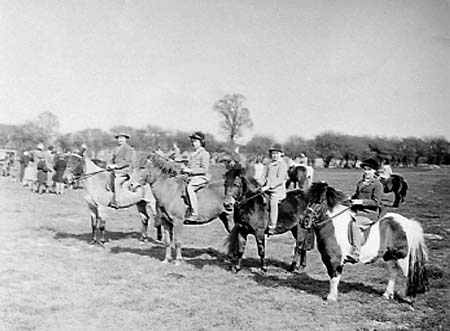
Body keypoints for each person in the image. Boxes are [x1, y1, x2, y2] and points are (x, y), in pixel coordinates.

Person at [347, 158, 384, 263]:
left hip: (369, 214)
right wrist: (349, 200)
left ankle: (356, 253)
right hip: (358, 211)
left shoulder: (377, 185)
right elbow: (356, 195)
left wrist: (360, 202)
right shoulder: (360, 183)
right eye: (365, 169)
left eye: (369, 170)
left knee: (356, 225)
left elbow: (376, 202)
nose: (366, 172)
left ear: (374, 171)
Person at [182, 131, 211, 222]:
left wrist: (190, 171)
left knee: (190, 188)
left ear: (201, 142)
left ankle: (194, 213)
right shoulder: (193, 153)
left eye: (195, 141)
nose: (193, 143)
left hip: (201, 177)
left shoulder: (204, 154)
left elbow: (204, 169)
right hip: (192, 177)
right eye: (192, 141)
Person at [261, 143, 289, 235]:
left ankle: (273, 225)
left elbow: (280, 179)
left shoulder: (282, 164)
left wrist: (270, 186)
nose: (274, 155)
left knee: (273, 203)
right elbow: (264, 176)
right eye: (273, 153)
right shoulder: (269, 164)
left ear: (281, 154)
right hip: (266, 188)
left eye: (277, 153)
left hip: (277, 190)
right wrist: (261, 184)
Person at [107, 133, 135, 208]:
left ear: (126, 140)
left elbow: (127, 161)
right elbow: (110, 159)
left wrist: (116, 166)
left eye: (122, 138)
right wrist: (109, 164)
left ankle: (117, 201)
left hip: (124, 170)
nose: (120, 140)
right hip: (115, 170)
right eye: (119, 138)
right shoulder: (115, 149)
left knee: (117, 181)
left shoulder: (129, 149)